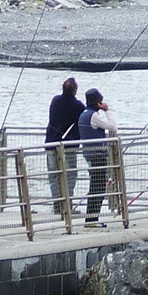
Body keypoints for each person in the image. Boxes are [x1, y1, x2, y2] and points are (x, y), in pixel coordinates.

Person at [77, 88, 119, 227]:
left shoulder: (83, 114)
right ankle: (92, 219)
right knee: (99, 187)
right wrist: (107, 110)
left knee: (95, 185)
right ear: (98, 102)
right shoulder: (95, 116)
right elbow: (113, 127)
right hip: (98, 155)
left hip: (89, 154)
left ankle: (92, 218)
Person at [45, 77, 85, 214]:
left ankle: (57, 205)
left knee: (54, 176)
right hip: (68, 146)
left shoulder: (55, 101)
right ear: (75, 90)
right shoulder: (78, 106)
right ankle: (67, 205)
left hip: (51, 143)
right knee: (70, 175)